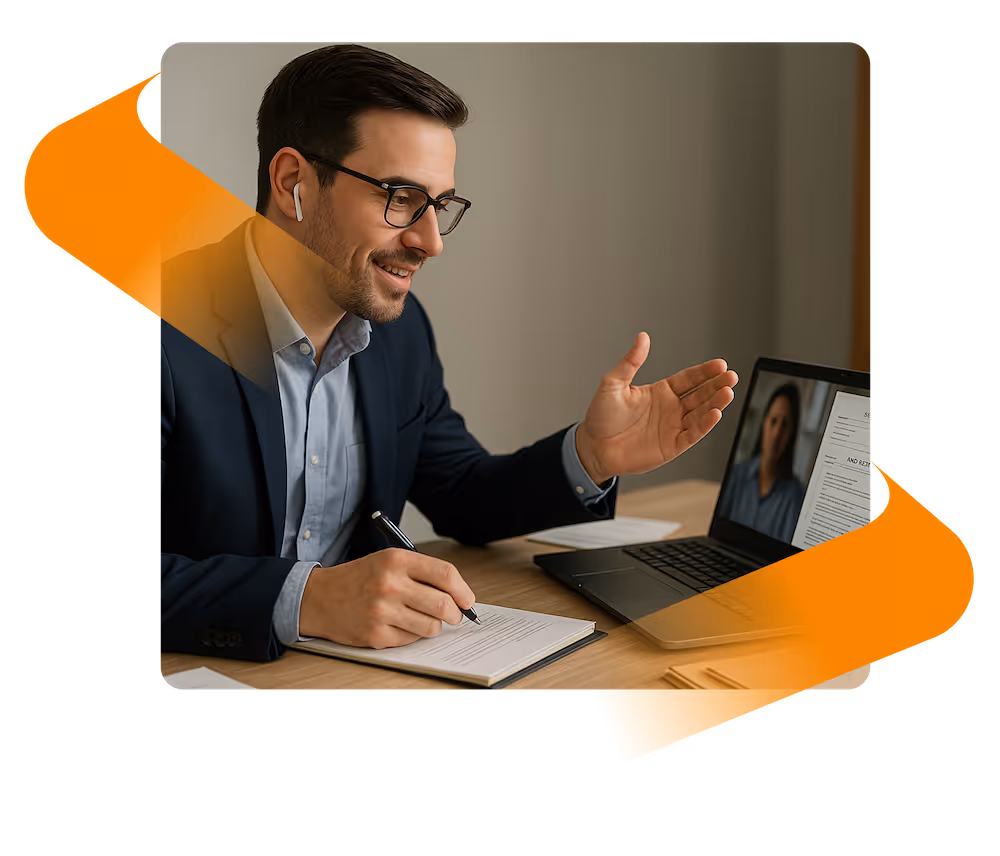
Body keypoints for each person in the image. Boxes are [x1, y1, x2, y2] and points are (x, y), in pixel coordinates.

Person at [159, 44, 739, 662]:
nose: (430, 241)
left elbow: (462, 491)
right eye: (400, 197)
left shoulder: (399, 334)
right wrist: (306, 599)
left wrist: (590, 457)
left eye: (440, 205)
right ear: (292, 182)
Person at [718, 383, 805, 542]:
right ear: (763, 423)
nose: (777, 433)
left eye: (784, 425)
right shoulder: (737, 475)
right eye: (773, 421)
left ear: (791, 436)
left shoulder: (794, 496)